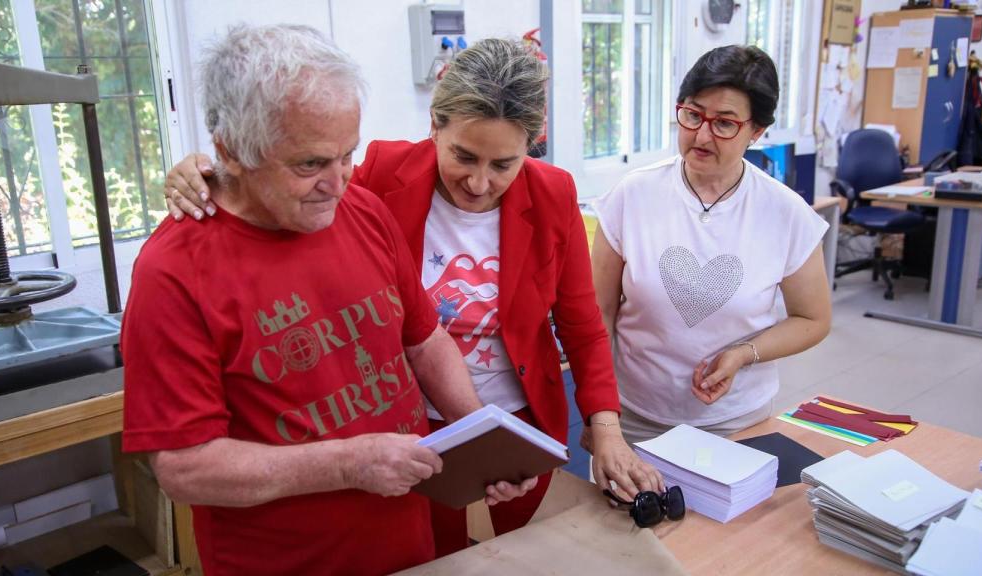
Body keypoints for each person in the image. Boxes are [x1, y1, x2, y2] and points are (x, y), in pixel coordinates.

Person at [162, 37, 663, 556]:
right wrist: (210, 173)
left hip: (510, 416)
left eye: (503, 164)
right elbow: (286, 193)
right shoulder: (378, 175)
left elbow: (580, 325)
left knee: (529, 551)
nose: (479, 182)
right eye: (463, 156)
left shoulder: (551, 193)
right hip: (407, 423)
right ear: (434, 127)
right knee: (435, 548)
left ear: (531, 146)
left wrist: (604, 428)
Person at [121, 25, 532, 576]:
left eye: (347, 155)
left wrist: (485, 435)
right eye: (309, 165)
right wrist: (347, 465)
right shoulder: (173, 273)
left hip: (406, 547)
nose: (337, 183)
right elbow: (185, 468)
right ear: (231, 151)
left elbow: (425, 341)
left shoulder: (362, 211)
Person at [591, 45, 832, 445]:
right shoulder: (632, 195)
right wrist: (598, 413)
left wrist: (743, 353)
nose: (702, 135)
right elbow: (598, 313)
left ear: (756, 131)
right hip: (633, 415)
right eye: (692, 115)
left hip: (736, 422)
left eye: (724, 124)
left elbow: (813, 319)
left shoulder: (786, 213)